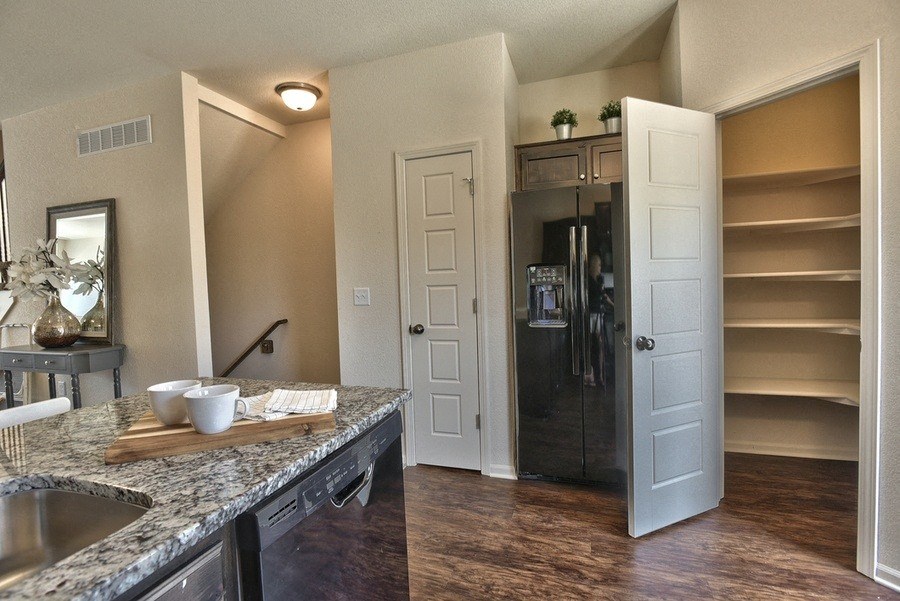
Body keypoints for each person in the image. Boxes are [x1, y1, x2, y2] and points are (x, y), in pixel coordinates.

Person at [585, 253, 614, 388]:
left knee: (600, 345)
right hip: (590, 314)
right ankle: (591, 375)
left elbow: (603, 295)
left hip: (599, 313)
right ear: (594, 265)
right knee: (592, 345)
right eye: (599, 264)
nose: (600, 267)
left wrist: (614, 305)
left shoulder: (600, 279)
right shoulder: (587, 279)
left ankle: (600, 376)